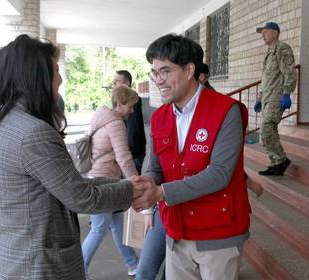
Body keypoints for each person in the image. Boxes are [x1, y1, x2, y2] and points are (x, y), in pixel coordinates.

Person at [0, 35, 155, 280]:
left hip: (9, 261)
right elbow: (81, 196)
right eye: (55, 70)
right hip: (37, 267)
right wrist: (133, 189)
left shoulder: (0, 122)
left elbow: (71, 182)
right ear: (36, 76)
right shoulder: (33, 133)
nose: (61, 79)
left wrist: (126, 185)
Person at [134, 33, 251, 280]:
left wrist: (162, 193)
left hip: (219, 233)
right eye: (154, 72)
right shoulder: (159, 117)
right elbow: (156, 169)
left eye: (165, 71)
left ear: (189, 70)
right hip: (176, 230)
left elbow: (219, 174)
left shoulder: (226, 111)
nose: (158, 80)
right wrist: (144, 185)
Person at [81, 85, 139, 278]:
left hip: (99, 178)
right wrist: (135, 182)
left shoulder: (101, 118)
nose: (132, 110)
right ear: (120, 103)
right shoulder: (115, 124)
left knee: (117, 224)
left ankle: (132, 263)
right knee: (99, 229)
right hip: (104, 181)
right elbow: (124, 157)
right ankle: (78, 270)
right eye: (130, 105)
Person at [254, 22, 296, 176]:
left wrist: (287, 93)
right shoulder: (268, 53)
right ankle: (276, 162)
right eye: (262, 33)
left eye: (265, 32)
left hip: (277, 97)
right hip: (267, 98)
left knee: (266, 129)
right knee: (267, 131)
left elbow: (289, 72)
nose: (263, 35)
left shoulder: (282, 49)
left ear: (275, 33)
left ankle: (281, 160)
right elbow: (266, 79)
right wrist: (259, 98)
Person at [113, 70, 146, 174]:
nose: (114, 84)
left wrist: (127, 151)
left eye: (117, 81)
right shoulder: (122, 100)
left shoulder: (132, 101)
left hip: (132, 155)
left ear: (127, 83)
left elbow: (133, 130)